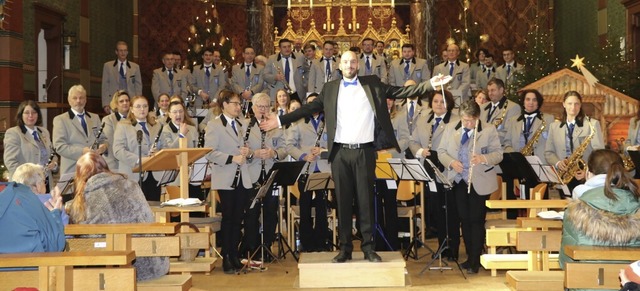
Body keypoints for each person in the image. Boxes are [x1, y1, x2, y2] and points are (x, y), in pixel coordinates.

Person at [260, 50, 451, 263]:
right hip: (340, 153)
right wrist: (279, 121)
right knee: (342, 201)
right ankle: (345, 249)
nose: (349, 65)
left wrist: (431, 84)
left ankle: (369, 248)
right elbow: (306, 109)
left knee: (365, 201)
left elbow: (400, 92)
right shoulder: (330, 89)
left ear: (358, 65)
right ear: (339, 66)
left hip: (365, 151)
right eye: (345, 62)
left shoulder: (372, 84)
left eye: (352, 61)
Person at [67, 152, 169, 281]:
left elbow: (86, 240)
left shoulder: (83, 200)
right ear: (105, 167)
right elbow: (148, 217)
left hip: (111, 273)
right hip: (151, 264)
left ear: (80, 176)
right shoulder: (131, 185)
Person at [437, 100, 503, 274]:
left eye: (472, 121)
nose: (468, 124)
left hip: (478, 181)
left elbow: (498, 154)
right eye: (466, 120)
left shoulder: (488, 130)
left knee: (476, 220)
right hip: (458, 181)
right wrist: (452, 163)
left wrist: (483, 158)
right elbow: (441, 151)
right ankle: (469, 257)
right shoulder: (451, 128)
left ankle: (476, 259)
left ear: (477, 117)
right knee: (464, 219)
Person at [559, 149, 640, 275]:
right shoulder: (637, 206)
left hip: (584, 282)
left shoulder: (575, 210)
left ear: (589, 174)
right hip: (632, 282)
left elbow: (564, 261)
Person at [204, 90, 253, 274]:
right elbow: (209, 152)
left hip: (242, 177)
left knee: (238, 218)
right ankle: (227, 257)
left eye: (239, 104)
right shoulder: (214, 125)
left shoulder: (241, 124)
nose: (239, 106)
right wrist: (231, 158)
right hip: (226, 177)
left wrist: (247, 152)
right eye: (235, 103)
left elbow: (243, 150)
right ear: (224, 104)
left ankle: (234, 255)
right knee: (229, 218)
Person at [409, 89, 459, 260]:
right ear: (431, 103)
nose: (439, 105)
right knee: (436, 210)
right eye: (436, 101)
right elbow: (412, 141)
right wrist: (421, 151)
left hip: (448, 170)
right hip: (429, 170)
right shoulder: (423, 120)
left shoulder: (456, 120)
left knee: (449, 211)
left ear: (449, 104)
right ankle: (441, 246)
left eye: (443, 102)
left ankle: (452, 248)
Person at [242, 93, 287, 260]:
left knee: (270, 212)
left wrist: (273, 153)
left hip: (271, 175)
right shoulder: (245, 126)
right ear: (253, 108)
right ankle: (251, 248)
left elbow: (284, 149)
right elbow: (241, 150)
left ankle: (267, 247)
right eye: (259, 106)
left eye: (266, 106)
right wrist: (254, 154)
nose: (263, 110)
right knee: (252, 213)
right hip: (252, 175)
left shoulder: (276, 127)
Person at [285, 93, 330, 252]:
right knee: (304, 207)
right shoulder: (297, 123)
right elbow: (289, 146)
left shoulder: (330, 121)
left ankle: (321, 241)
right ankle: (306, 242)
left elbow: (337, 145)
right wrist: (303, 156)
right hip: (305, 170)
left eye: (316, 103)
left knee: (321, 207)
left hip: (323, 170)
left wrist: (323, 151)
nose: (313, 106)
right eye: (310, 103)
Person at [545, 91, 605, 194]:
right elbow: (548, 152)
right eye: (569, 103)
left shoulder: (592, 124)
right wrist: (558, 163)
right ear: (564, 104)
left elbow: (599, 153)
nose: (573, 107)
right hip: (563, 177)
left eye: (576, 104)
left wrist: (587, 170)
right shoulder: (554, 127)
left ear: (580, 105)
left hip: (583, 176)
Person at [374, 97, 410, 251]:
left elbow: (405, 140)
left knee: (390, 204)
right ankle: (379, 242)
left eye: (390, 99)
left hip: (392, 163)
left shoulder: (400, 116)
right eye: (384, 99)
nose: (387, 101)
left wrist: (389, 151)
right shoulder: (372, 116)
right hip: (375, 164)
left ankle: (392, 243)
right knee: (376, 204)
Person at [113, 95, 164, 201]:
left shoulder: (156, 125)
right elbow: (118, 150)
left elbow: (164, 146)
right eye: (138, 106)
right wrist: (138, 159)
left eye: (145, 106)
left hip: (153, 175)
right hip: (133, 175)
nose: (142, 109)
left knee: (153, 211)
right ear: (131, 109)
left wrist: (158, 152)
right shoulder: (123, 126)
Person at [53, 85, 107, 175]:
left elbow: (103, 139)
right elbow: (59, 146)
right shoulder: (60, 120)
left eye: (81, 98)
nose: (78, 101)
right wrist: (82, 151)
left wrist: (104, 147)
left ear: (85, 100)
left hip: (94, 169)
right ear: (69, 100)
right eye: (75, 98)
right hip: (73, 170)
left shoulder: (95, 117)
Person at [4, 100, 58, 189]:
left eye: (34, 112)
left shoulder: (44, 132)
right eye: (26, 113)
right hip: (25, 185)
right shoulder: (14, 133)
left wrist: (54, 164)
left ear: (38, 114)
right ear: (21, 115)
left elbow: (53, 154)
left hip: (45, 183)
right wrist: (25, 180)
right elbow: (10, 162)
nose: (30, 116)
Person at [0, 181, 65, 253]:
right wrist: (55, 215)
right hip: (36, 262)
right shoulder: (22, 195)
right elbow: (55, 244)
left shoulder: (20, 194)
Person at [101, 41, 142, 114]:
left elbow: (138, 86)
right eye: (121, 51)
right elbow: (105, 86)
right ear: (116, 52)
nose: (123, 53)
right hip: (113, 102)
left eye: (125, 51)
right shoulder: (108, 66)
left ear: (127, 52)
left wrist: (138, 102)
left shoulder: (135, 67)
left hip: (130, 102)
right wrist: (105, 104)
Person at [479, 78, 522, 145]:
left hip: (500, 149)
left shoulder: (513, 107)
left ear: (501, 90)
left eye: (493, 90)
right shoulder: (482, 107)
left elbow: (508, 134)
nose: (490, 93)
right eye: (488, 91)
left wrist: (485, 137)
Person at [265, 38, 306, 102]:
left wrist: (305, 84)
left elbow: (307, 71)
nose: (287, 49)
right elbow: (265, 75)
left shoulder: (300, 57)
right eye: (284, 47)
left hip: (297, 93)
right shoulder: (272, 59)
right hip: (280, 94)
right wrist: (275, 77)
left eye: (289, 46)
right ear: (279, 48)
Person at [230, 46, 265, 118]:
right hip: (240, 100)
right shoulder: (235, 68)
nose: (250, 55)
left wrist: (251, 92)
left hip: (255, 100)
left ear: (254, 55)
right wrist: (242, 92)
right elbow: (233, 83)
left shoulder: (260, 68)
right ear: (243, 55)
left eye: (252, 53)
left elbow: (260, 83)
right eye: (247, 53)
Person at [101, 90, 130, 170]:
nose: (125, 103)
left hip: (131, 161)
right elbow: (111, 142)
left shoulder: (133, 118)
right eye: (121, 101)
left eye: (127, 100)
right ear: (116, 104)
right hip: (114, 162)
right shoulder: (108, 120)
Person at [192, 47, 228, 111]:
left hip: (215, 103)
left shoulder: (219, 69)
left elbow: (222, 86)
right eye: (206, 55)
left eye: (210, 55)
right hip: (199, 103)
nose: (208, 57)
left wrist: (215, 100)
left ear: (212, 56)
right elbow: (192, 85)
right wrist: (200, 92)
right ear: (202, 56)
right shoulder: (196, 69)